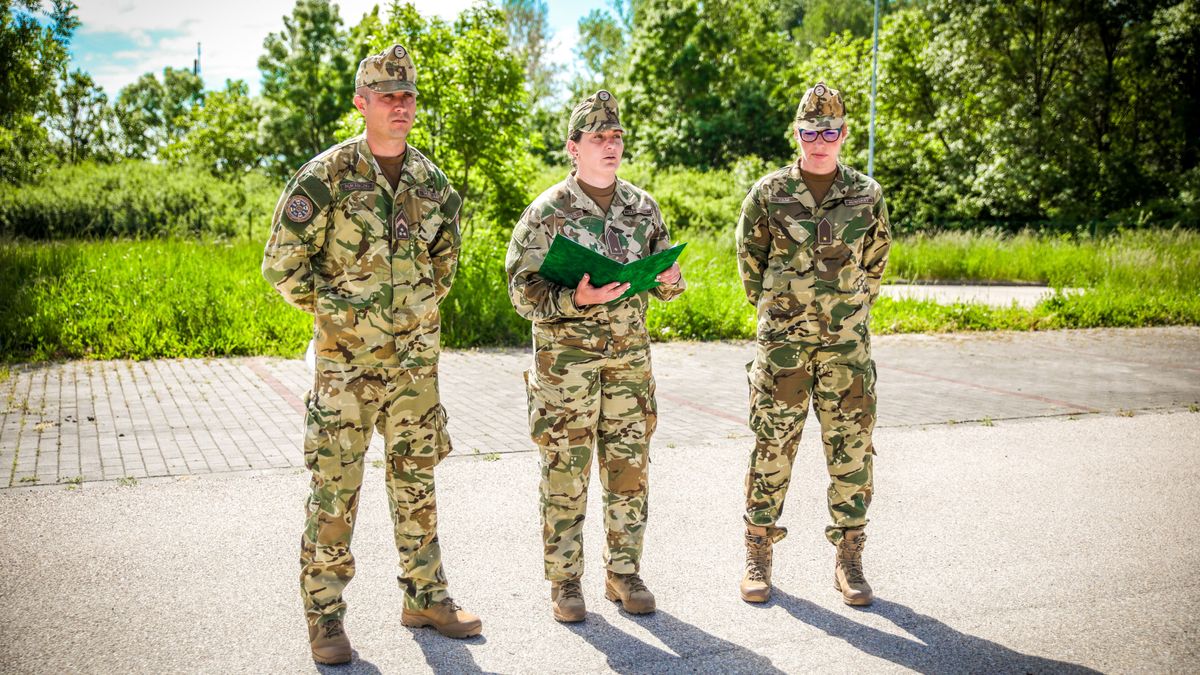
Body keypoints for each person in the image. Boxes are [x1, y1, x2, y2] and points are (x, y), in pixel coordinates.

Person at [262, 43, 481, 665]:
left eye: (408, 94)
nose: (401, 104)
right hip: (345, 371)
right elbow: (281, 266)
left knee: (417, 484)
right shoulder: (325, 177)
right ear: (362, 103)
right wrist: (343, 316)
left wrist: (411, 316)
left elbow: (445, 265)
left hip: (414, 367)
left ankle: (426, 597)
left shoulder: (431, 183)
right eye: (388, 95)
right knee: (335, 490)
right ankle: (325, 618)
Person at [504, 90, 685, 623]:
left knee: (629, 471)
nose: (610, 145)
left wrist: (670, 280)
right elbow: (520, 293)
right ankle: (564, 583)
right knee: (566, 472)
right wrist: (572, 298)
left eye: (617, 136)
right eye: (598, 137)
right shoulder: (545, 213)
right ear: (573, 147)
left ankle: (623, 573)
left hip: (629, 366)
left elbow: (663, 283)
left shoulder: (642, 208)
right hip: (566, 372)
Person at [736, 82, 891, 607]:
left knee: (851, 452)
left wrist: (844, 307)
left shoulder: (867, 195)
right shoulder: (768, 193)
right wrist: (783, 310)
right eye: (809, 132)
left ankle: (850, 558)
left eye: (828, 131)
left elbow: (876, 262)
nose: (818, 140)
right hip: (782, 350)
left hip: (846, 350)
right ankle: (758, 553)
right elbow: (750, 264)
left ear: (844, 134)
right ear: (796, 134)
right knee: (771, 446)